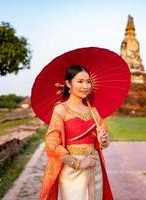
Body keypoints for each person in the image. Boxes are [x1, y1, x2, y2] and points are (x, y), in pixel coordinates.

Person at [39, 65, 113, 200]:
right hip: (72, 170)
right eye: (80, 81)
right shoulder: (61, 109)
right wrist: (78, 163)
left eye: (88, 81)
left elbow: (104, 143)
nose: (85, 86)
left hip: (94, 167)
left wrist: (104, 139)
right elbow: (52, 145)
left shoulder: (93, 111)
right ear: (68, 83)